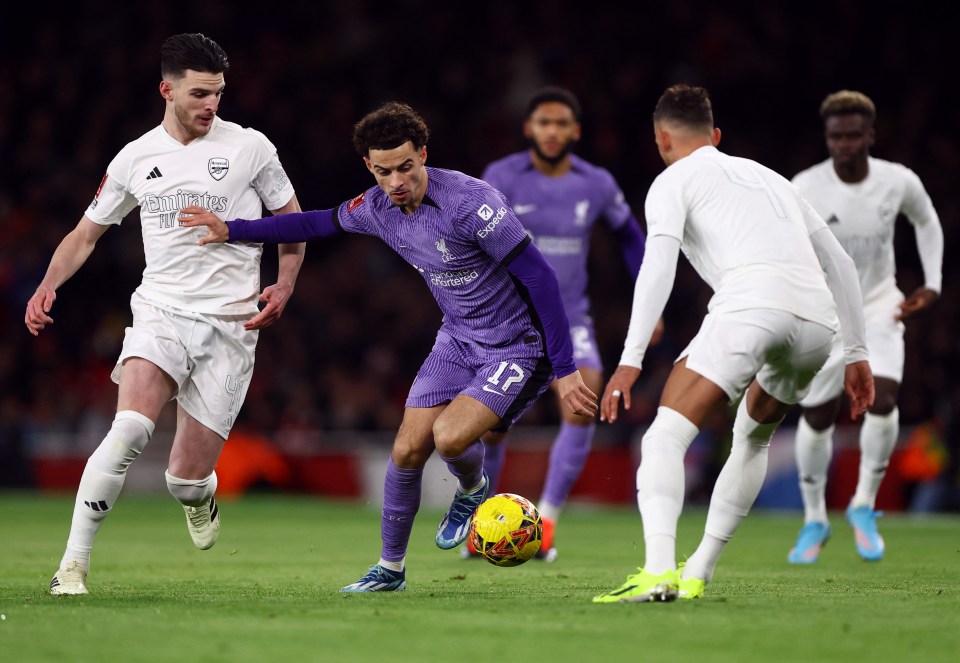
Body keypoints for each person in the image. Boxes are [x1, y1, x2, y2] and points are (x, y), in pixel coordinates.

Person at [179, 101, 598, 592]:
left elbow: (541, 277)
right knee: (405, 449)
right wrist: (234, 230)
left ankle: (472, 488)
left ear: (423, 154)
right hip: (457, 339)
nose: (396, 181)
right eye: (384, 171)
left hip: (516, 346)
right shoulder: (375, 208)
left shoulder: (471, 203)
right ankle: (390, 570)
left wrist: (566, 369)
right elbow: (314, 223)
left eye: (406, 166)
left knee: (449, 438)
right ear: (369, 168)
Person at [25, 33, 306, 596]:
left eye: (219, 94)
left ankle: (199, 496)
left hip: (230, 326)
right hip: (161, 310)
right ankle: (73, 567)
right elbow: (86, 235)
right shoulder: (134, 157)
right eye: (201, 93)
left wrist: (283, 286)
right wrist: (48, 284)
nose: (212, 105)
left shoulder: (251, 147)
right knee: (129, 427)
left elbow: (293, 223)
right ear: (167, 90)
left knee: (182, 477)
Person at [592, 84, 874, 603]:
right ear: (716, 136)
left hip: (751, 306)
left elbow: (659, 264)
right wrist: (856, 352)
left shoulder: (672, 179)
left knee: (664, 437)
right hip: (818, 322)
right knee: (753, 438)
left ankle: (658, 572)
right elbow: (842, 264)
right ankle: (698, 570)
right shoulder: (775, 180)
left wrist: (630, 360)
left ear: (662, 139)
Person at [468, 86, 649, 562]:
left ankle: (544, 520)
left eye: (561, 123)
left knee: (584, 399)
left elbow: (633, 239)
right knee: (491, 428)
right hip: (510, 320)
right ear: (529, 129)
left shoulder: (597, 183)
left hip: (571, 318)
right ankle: (485, 520)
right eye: (543, 123)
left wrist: (652, 304)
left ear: (576, 131)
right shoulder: (501, 177)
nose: (552, 131)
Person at [786, 90, 943, 564]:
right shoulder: (804, 186)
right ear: (828, 137)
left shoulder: (897, 181)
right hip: (826, 314)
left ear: (870, 135)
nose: (846, 144)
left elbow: (928, 221)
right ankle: (815, 517)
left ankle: (863, 505)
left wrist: (932, 283)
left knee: (886, 396)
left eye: (855, 134)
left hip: (879, 306)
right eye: (838, 136)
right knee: (816, 416)